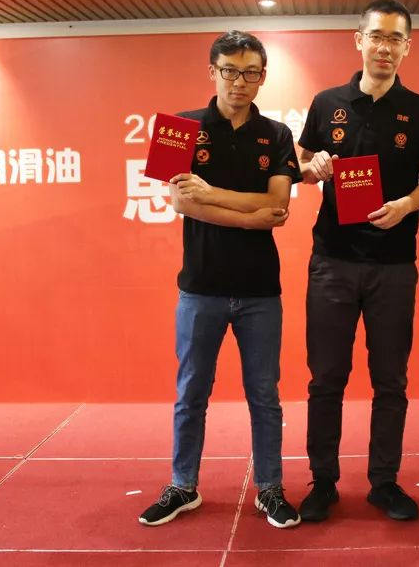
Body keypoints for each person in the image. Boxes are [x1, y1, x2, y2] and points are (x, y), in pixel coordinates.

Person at [139, 30, 302, 530]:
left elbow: (279, 204)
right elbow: (180, 202)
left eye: (250, 72)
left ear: (262, 77)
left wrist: (211, 194)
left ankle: (270, 488)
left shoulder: (277, 134)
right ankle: (182, 485)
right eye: (229, 70)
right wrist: (251, 217)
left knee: (265, 396)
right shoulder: (181, 127)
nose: (239, 81)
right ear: (213, 71)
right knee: (191, 392)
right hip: (200, 287)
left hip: (260, 291)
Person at [295, 0, 419, 522]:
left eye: (395, 38)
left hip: (394, 264)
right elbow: (301, 160)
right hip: (332, 261)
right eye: (376, 36)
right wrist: (311, 165)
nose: (385, 47)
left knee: (390, 380)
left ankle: (384, 482)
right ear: (358, 40)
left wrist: (405, 205)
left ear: (407, 46)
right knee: (325, 379)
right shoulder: (327, 102)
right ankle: (323, 482)